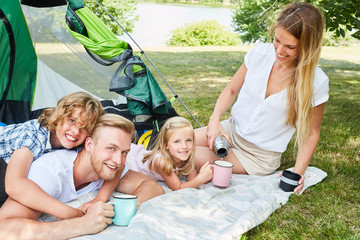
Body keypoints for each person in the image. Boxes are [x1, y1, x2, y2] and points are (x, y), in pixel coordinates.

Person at [195, 2, 329, 194]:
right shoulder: (259, 53)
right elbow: (231, 90)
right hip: (229, 131)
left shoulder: (317, 81)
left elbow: (311, 133)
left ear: (308, 47)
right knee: (172, 141)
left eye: (289, 46)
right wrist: (214, 120)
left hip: (257, 157)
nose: (279, 51)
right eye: (277, 40)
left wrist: (298, 172)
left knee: (185, 155)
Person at [0, 113, 164, 239]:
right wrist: (81, 224)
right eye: (111, 148)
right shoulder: (50, 174)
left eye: (124, 152)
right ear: (90, 144)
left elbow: (152, 187)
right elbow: (3, 229)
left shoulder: (106, 168)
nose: (118, 161)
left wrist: (120, 210)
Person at [0, 92, 104, 213]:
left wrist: (100, 198)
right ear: (59, 117)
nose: (76, 131)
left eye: (85, 127)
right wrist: (68, 212)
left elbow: (115, 165)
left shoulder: (81, 145)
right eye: (72, 120)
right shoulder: (33, 135)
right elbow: (14, 185)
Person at [126, 116, 213, 190]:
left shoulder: (185, 156)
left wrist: (204, 176)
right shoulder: (162, 162)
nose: (184, 146)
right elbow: (178, 188)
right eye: (177, 141)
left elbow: (192, 181)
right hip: (131, 161)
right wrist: (200, 179)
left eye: (188, 140)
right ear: (166, 144)